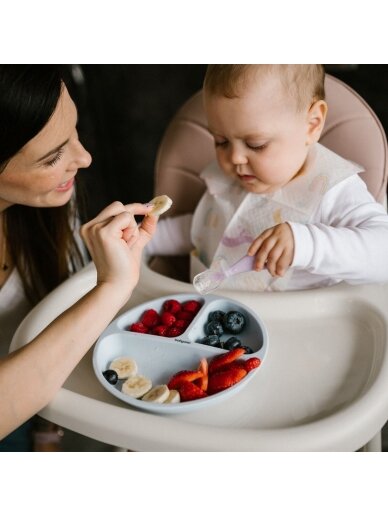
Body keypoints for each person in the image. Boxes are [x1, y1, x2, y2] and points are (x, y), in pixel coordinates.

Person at [0, 65, 157, 447]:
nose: (84, 158)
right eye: (53, 156)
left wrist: (47, 432)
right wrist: (110, 287)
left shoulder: (45, 208)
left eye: (74, 131)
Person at [147, 64, 388, 291]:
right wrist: (145, 239)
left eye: (256, 145)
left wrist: (307, 244)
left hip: (297, 327)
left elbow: (382, 253)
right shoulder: (232, 177)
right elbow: (203, 227)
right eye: (221, 141)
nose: (235, 157)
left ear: (312, 125)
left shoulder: (332, 189)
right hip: (213, 320)